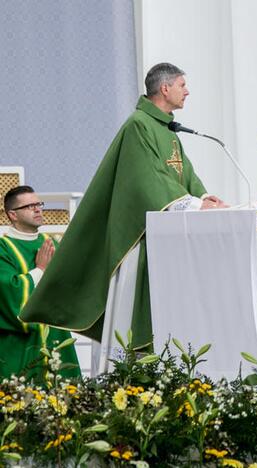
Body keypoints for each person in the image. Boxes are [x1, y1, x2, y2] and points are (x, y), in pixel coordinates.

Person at [21, 63, 227, 370]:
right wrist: (194, 206)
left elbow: (182, 173)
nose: (187, 91)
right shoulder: (139, 125)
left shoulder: (167, 129)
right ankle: (132, 374)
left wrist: (203, 198)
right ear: (165, 88)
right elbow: (147, 181)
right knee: (134, 323)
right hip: (140, 239)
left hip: (165, 239)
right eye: (182, 85)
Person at [1, 186, 79, 379]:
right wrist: (40, 270)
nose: (37, 209)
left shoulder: (51, 243)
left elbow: (68, 285)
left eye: (38, 204)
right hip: (21, 343)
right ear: (13, 214)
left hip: (55, 336)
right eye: (29, 206)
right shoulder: (4, 249)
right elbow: (8, 291)